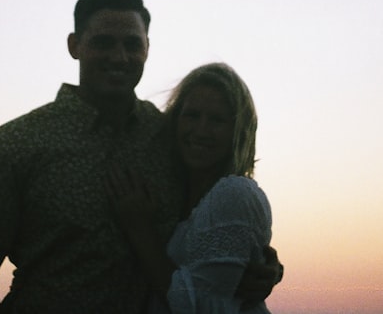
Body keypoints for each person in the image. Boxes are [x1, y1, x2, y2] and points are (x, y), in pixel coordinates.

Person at [0, 0, 278, 314]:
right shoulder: (15, 145)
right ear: (74, 45)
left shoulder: (169, 135)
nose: (119, 57)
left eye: (132, 44)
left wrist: (260, 260)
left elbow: (207, 221)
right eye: (103, 43)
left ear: (147, 48)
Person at [108, 63, 273, 314]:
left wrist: (140, 230)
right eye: (192, 115)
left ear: (237, 131)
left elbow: (196, 306)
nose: (201, 130)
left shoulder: (234, 193)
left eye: (217, 120)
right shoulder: (176, 192)